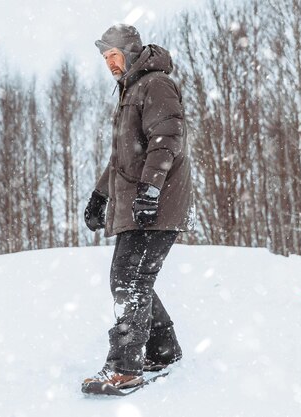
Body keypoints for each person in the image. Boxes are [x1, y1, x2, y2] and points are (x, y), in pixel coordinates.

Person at [82, 24, 194, 391]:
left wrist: (150, 188)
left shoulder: (155, 84)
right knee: (130, 281)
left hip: (156, 203)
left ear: (130, 51)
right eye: (105, 58)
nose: (110, 63)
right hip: (138, 203)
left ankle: (125, 367)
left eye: (114, 55)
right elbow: (124, 157)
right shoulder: (131, 90)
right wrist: (101, 195)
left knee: (130, 282)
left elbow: (167, 139)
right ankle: (162, 350)